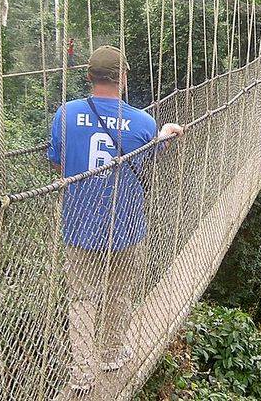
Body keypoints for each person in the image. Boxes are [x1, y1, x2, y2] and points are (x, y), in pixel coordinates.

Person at [47, 45, 183, 394]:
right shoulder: (143, 123)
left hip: (79, 226)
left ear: (89, 76)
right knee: (119, 295)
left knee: (81, 301)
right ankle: (109, 354)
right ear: (122, 78)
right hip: (125, 227)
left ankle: (81, 374)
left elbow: (59, 165)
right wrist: (164, 134)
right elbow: (148, 153)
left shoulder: (65, 114)